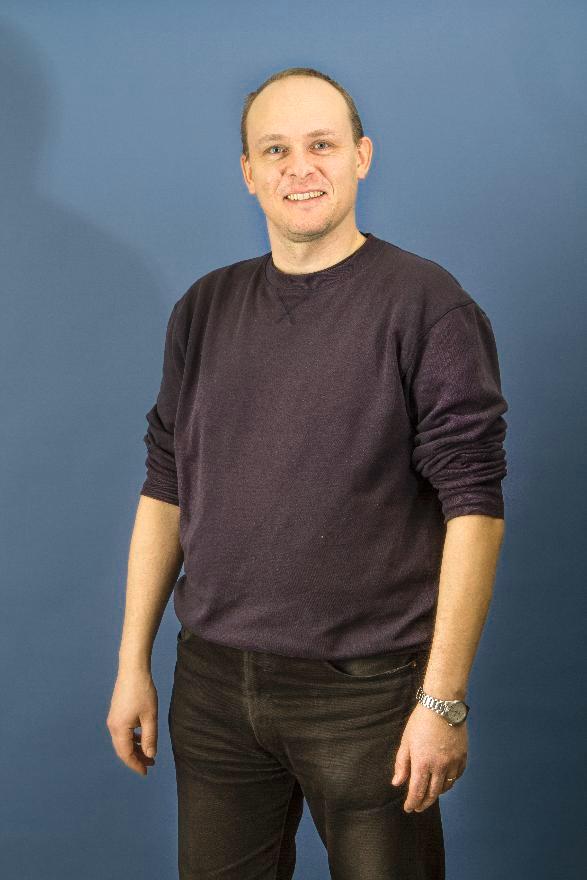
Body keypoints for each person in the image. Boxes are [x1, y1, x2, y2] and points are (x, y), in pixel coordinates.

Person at [107, 66, 508, 879]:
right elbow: (165, 486)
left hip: (367, 694)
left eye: (321, 145)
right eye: (275, 149)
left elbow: (473, 505)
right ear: (248, 172)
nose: (300, 168)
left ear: (361, 156)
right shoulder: (203, 308)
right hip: (213, 685)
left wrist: (441, 700)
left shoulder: (427, 305)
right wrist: (131, 666)